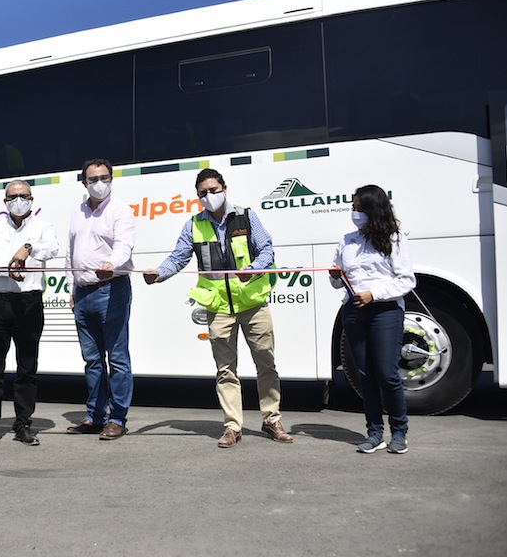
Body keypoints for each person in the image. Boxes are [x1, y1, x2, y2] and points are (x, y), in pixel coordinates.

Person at [143, 168, 293, 448]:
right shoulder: (193, 225)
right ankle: (233, 427)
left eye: (213, 190)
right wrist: (159, 274)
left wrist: (254, 268)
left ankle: (272, 420)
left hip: (253, 303)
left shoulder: (247, 216)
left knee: (266, 363)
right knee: (225, 370)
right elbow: (178, 258)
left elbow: (267, 250)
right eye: (203, 193)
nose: (209, 196)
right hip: (219, 308)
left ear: (225, 188)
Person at [0, 180, 59, 447]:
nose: (19, 201)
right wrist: (7, 269)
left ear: (32, 199)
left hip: (29, 303)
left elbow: (52, 249)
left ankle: (23, 425)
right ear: (5, 201)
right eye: (13, 197)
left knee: (27, 368)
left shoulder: (43, 227)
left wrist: (29, 248)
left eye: (24, 196)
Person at [329, 184, 415, 454]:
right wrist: (335, 276)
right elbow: (337, 281)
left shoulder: (394, 239)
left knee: (387, 373)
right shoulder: (347, 240)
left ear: (374, 210)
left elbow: (406, 280)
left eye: (360, 208)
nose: (355, 213)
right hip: (353, 311)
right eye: (353, 208)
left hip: (385, 311)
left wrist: (373, 294)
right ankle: (374, 432)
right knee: (365, 375)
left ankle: (399, 432)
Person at [65, 159, 136, 440]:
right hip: (83, 293)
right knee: (92, 360)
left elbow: (124, 245)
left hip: (111, 289)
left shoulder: (120, 210)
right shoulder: (78, 212)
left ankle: (117, 418)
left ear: (111, 179)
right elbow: (71, 253)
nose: (99, 183)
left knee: (117, 358)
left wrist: (111, 263)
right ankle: (95, 416)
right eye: (93, 179)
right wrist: (72, 289)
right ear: (84, 182)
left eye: (104, 178)